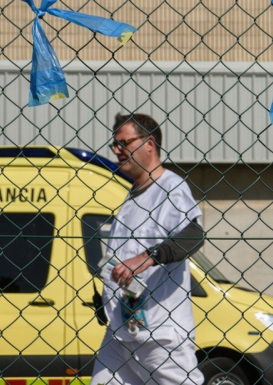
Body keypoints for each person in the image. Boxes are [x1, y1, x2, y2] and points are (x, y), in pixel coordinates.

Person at [92, 113, 206, 385]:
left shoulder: (171, 187)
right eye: (114, 145)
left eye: (124, 143)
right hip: (122, 333)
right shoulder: (132, 196)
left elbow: (194, 235)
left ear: (149, 144)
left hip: (160, 336)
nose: (117, 151)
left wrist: (145, 259)